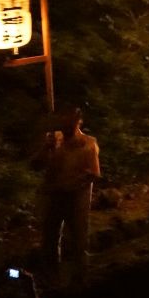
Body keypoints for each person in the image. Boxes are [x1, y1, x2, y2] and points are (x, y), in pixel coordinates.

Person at [35, 106, 100, 287]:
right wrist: (45, 149)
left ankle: (80, 280)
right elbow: (35, 165)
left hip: (76, 198)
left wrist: (71, 186)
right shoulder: (53, 140)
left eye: (69, 120)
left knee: (78, 239)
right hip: (54, 196)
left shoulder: (88, 143)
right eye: (62, 120)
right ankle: (51, 279)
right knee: (50, 238)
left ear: (78, 121)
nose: (64, 124)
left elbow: (94, 174)